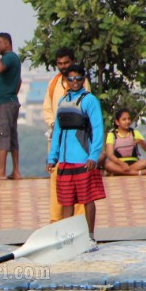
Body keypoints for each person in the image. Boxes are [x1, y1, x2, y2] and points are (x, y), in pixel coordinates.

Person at [47, 64, 106, 249]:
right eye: (70, 79)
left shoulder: (90, 101)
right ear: (66, 81)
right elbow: (57, 131)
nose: (74, 82)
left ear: (83, 80)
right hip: (65, 160)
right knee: (66, 201)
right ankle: (67, 238)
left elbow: (98, 129)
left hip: (83, 159)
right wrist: (52, 157)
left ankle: (90, 236)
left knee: (87, 198)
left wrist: (93, 156)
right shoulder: (62, 102)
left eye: (78, 79)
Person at [41, 48, 88, 221]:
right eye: (60, 64)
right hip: (56, 138)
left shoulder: (82, 84)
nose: (63, 67)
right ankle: (57, 220)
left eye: (66, 63)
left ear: (73, 61)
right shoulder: (54, 83)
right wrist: (54, 125)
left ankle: (80, 221)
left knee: (79, 179)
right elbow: (47, 109)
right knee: (57, 178)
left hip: (78, 139)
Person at [0, 32, 22, 180]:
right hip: (9, 100)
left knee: (2, 134)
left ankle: (1, 171)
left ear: (7, 43)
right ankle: (15, 171)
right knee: (11, 135)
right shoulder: (13, 58)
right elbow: (19, 80)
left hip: (4, 102)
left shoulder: (8, 57)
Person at [104, 108, 146, 176]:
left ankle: (119, 173)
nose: (127, 121)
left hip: (134, 163)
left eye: (129, 119)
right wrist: (122, 164)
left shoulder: (134, 133)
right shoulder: (112, 135)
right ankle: (138, 173)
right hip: (118, 164)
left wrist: (142, 143)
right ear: (117, 122)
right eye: (124, 119)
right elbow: (109, 154)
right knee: (107, 164)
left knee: (145, 162)